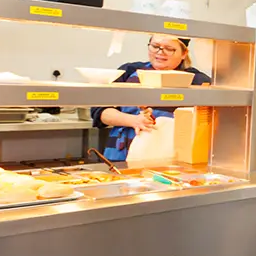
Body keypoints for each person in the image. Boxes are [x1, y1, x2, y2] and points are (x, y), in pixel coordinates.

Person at [91, 34, 212, 162]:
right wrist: (133, 120)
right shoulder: (128, 71)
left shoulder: (198, 81)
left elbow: (207, 123)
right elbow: (99, 111)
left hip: (170, 159)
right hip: (119, 156)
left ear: (184, 53)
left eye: (169, 49)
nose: (160, 52)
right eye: (155, 46)